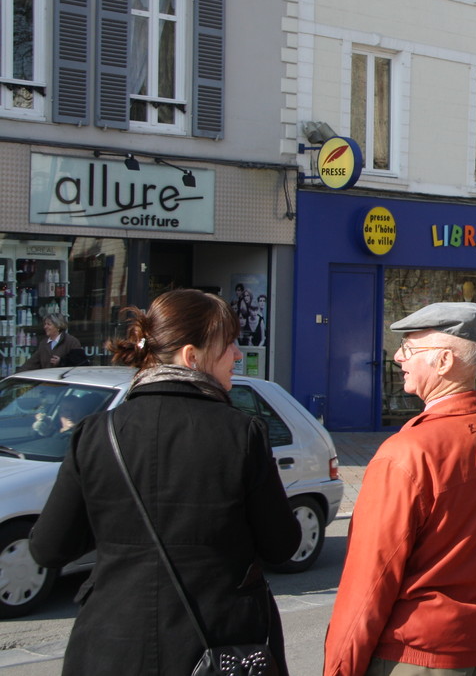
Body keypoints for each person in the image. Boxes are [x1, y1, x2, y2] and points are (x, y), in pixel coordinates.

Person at [29, 289, 300, 674]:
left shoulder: (96, 432)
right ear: (192, 357)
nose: (238, 355)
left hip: (110, 645)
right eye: (228, 345)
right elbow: (282, 545)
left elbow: (49, 548)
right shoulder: (241, 433)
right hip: (217, 643)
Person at [325, 302, 476, 676]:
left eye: (410, 348)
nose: (398, 357)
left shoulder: (409, 452)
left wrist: (340, 669)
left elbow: (368, 582)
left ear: (443, 361)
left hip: (415, 655)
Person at [19, 312, 87, 370]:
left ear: (58, 326)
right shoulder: (43, 344)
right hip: (47, 382)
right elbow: (31, 363)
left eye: (48, 324)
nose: (45, 327)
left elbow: (80, 363)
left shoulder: (71, 342)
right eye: (45, 324)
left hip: (64, 383)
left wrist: (61, 362)